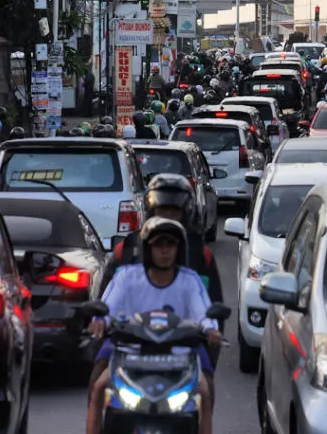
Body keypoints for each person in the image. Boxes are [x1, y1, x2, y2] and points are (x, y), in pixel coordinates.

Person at [85, 217, 219, 434]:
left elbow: (203, 314)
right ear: (147, 248)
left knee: (205, 391)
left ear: (179, 249)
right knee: (98, 385)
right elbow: (107, 308)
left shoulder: (190, 280)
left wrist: (211, 329)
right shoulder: (127, 277)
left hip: (180, 354)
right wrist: (100, 321)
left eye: (170, 245)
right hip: (128, 352)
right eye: (158, 245)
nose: (164, 251)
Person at [102, 174, 224, 328]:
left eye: (174, 212)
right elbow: (105, 306)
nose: (164, 251)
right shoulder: (125, 251)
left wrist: (209, 337)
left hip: (183, 345)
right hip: (131, 344)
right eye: (162, 211)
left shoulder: (200, 256)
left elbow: (213, 313)